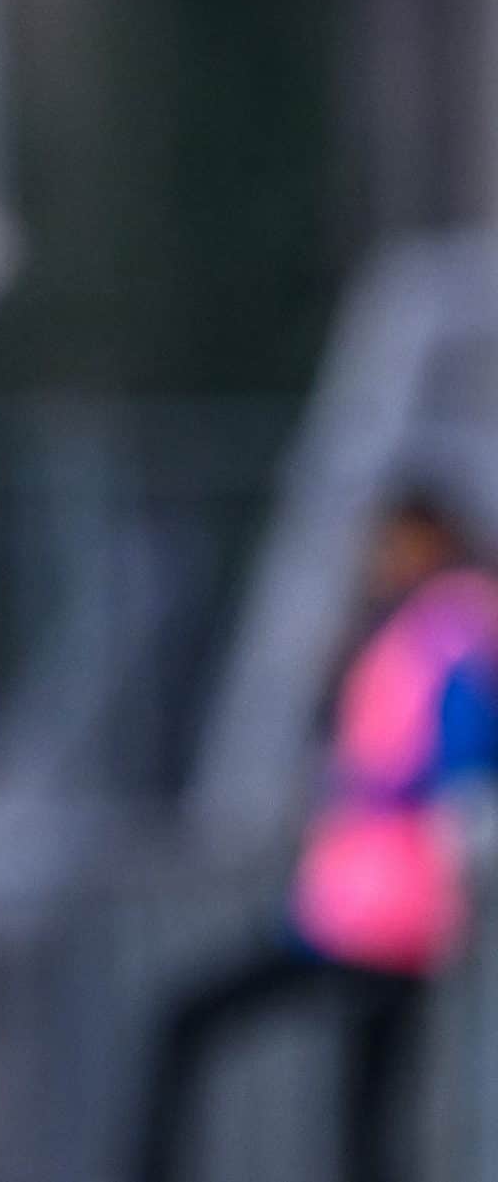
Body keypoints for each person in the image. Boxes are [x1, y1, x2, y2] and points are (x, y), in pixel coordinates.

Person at [134, 491, 498, 1182]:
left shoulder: (446, 626)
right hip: (375, 904)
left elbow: (460, 761)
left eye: (394, 542)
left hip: (380, 911)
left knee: (189, 1019)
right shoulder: (425, 627)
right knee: (369, 1109)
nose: (380, 559)